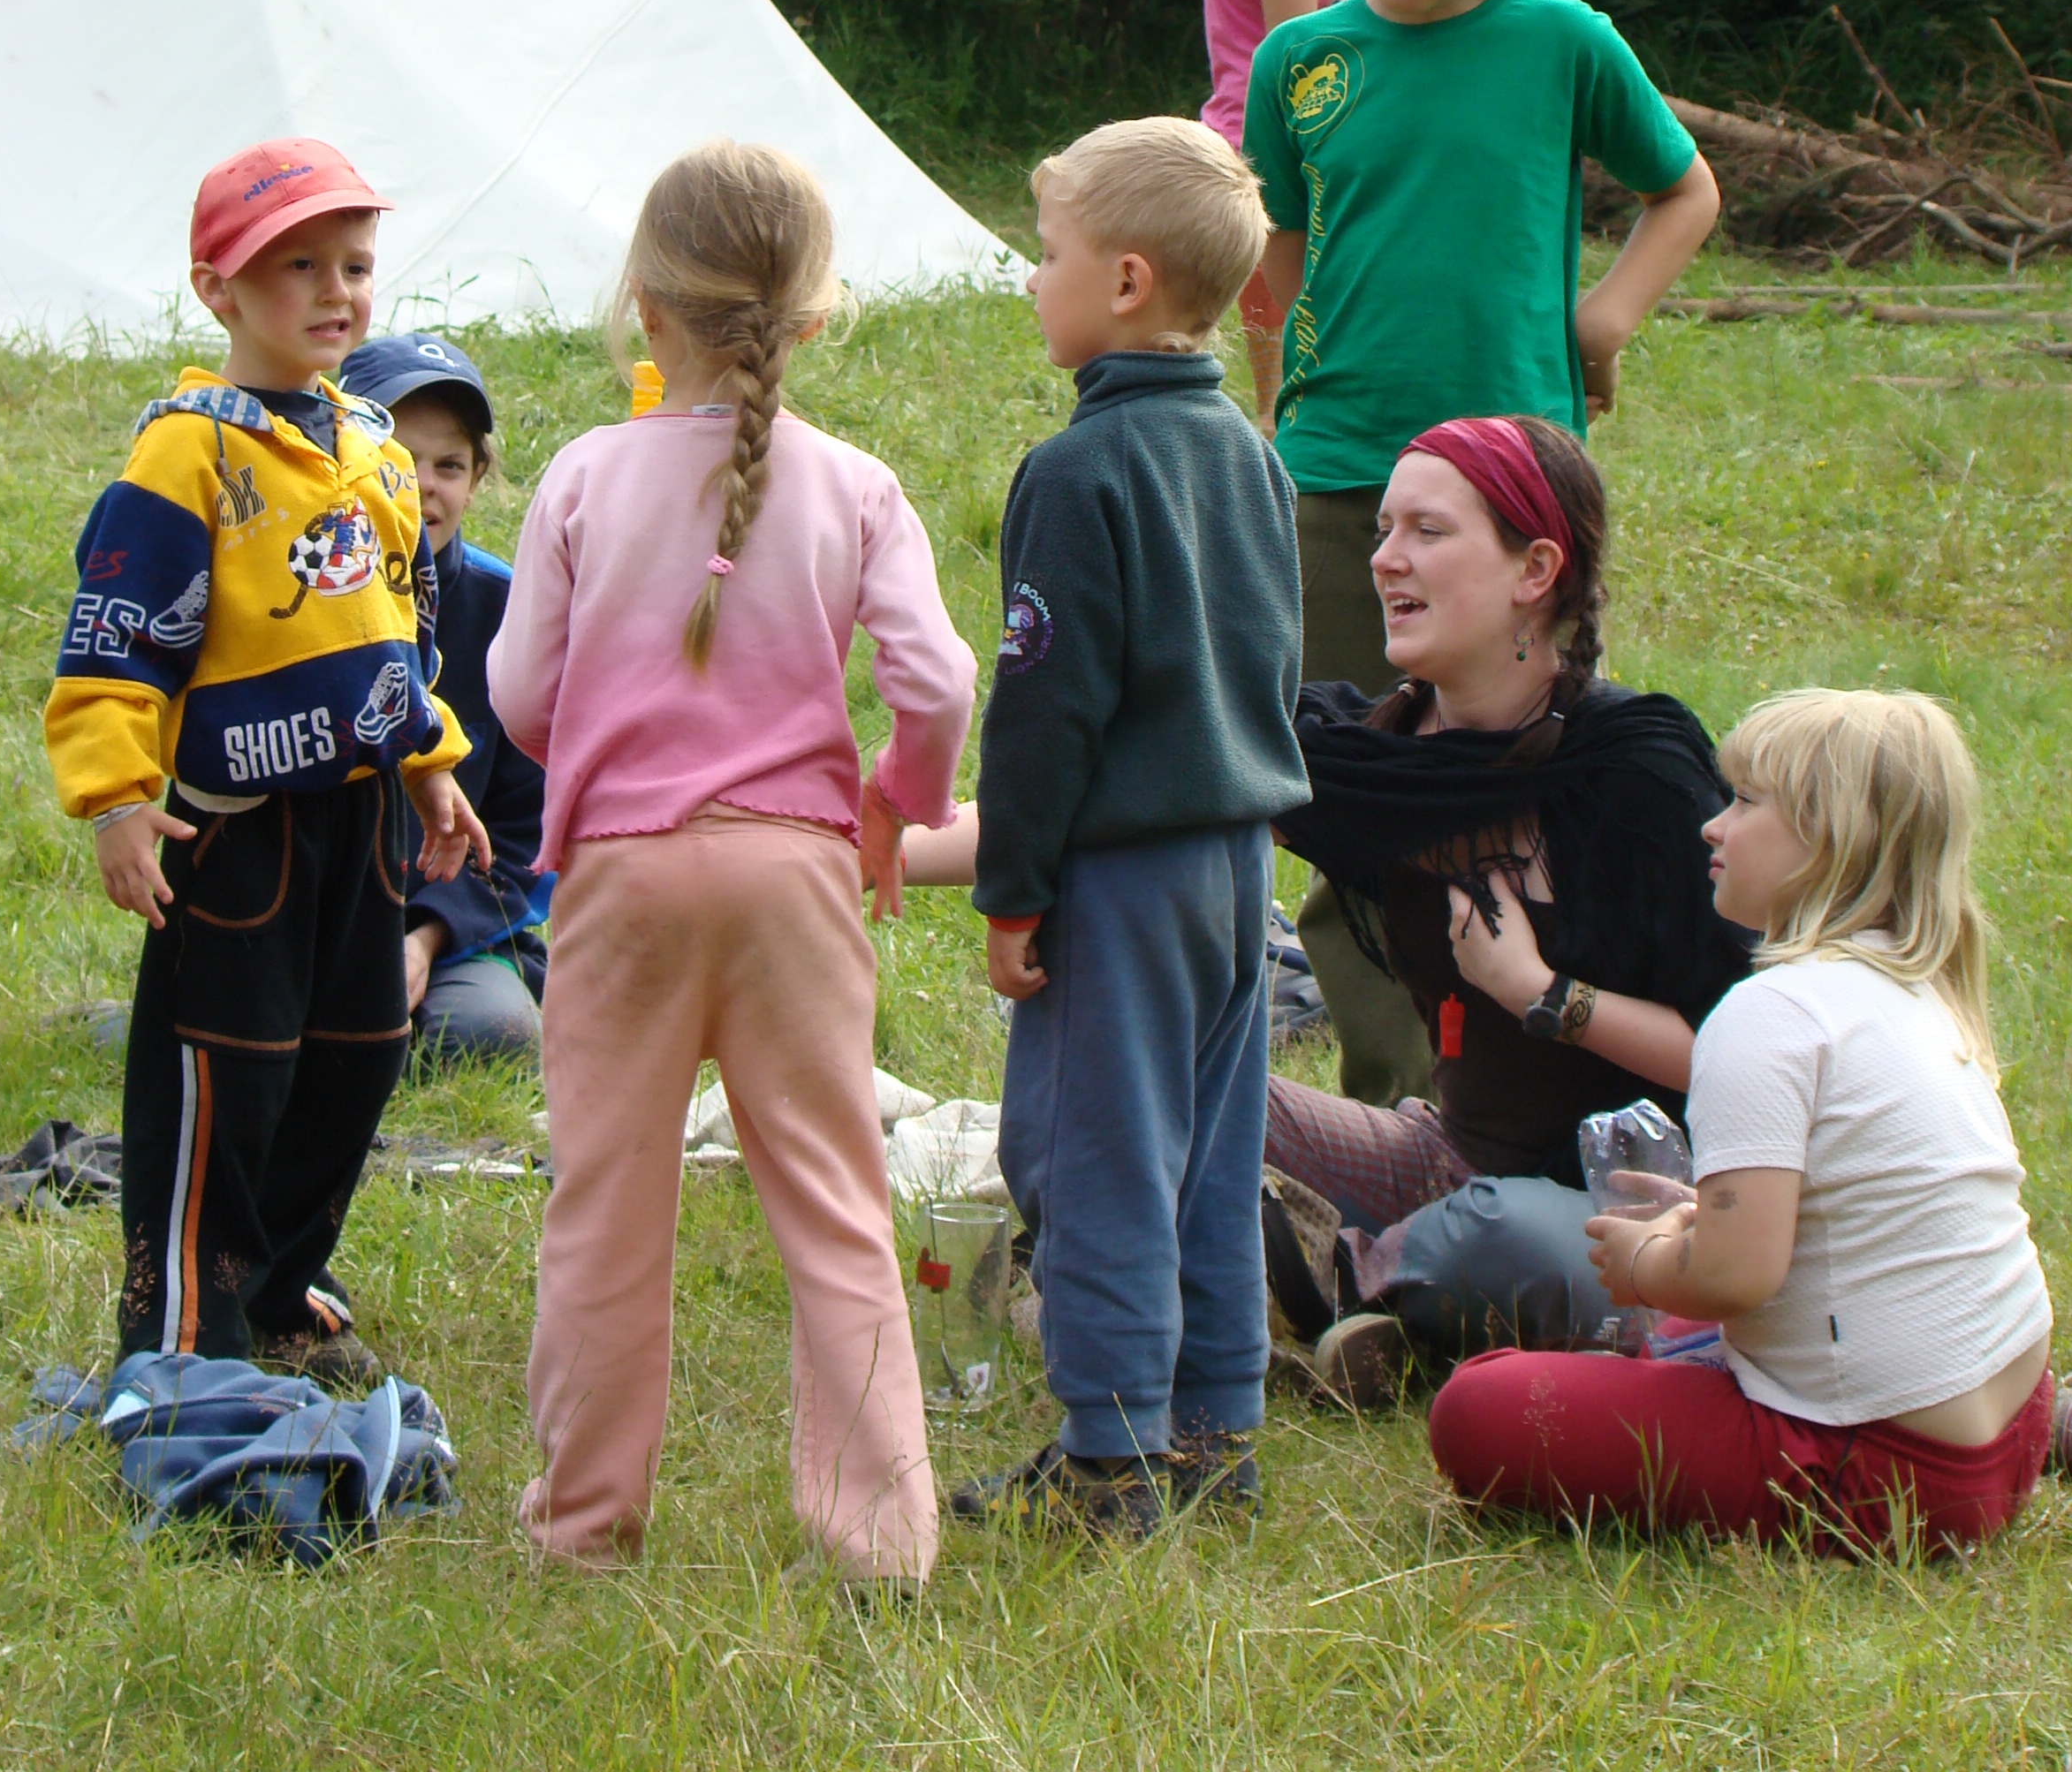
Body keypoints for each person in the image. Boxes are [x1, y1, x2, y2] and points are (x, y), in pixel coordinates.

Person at [492, 140, 977, 1581]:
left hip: (622, 882)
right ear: (813, 319)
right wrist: (899, 800)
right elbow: (938, 680)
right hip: (798, 882)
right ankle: (882, 1537)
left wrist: (599, 738)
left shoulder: (583, 476)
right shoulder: (857, 485)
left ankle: (584, 1526)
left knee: (603, 1207)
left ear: (643, 307)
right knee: (834, 1201)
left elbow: (519, 694)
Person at [1243, 0, 1722, 1108]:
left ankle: (1528, 1099)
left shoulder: (1565, 45)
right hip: (1340, 474)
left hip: (1515, 485)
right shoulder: (1300, 61)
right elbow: (1277, 255)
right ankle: (1391, 1103)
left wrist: (1605, 318)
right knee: (1348, 787)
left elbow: (1683, 191)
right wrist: (1272, 424)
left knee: (1526, 784)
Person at [42, 140, 489, 1385]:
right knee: (222, 1075)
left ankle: (282, 1291)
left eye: (355, 264)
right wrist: (117, 799)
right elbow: (117, 637)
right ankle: (186, 1329)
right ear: (218, 290)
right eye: (299, 267)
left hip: (362, 820)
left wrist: (430, 762)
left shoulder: (375, 449)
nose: (336, 291)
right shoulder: (186, 452)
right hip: (236, 827)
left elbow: (398, 630)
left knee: (357, 1055)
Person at [1430, 691, 2056, 1555]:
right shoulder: (1915, 988)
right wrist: (1701, 1221)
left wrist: (1646, 1262)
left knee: (1478, 1404)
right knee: (1683, 1331)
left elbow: (1735, 1278)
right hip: (2010, 1432)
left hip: (1883, 1472)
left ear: (1832, 839)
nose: (1712, 826)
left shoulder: (1770, 1014)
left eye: (1747, 802)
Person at [948, 119, 1309, 1538]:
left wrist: (1013, 891)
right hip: (1238, 867)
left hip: (1123, 877)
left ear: (1127, 282)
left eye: (1050, 255)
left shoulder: (1079, 472)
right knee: (1212, 1154)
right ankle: (1217, 1426)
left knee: (1092, 1155)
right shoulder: (1252, 458)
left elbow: (1045, 714)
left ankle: (1107, 1458)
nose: (1033, 279)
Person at [1266, 415, 1750, 1398]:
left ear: (1536, 569)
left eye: (1427, 531)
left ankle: (1326, 1284)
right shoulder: (1378, 759)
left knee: (1500, 1238)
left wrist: (1544, 994)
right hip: (1450, 1161)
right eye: (1383, 532)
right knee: (1185, 1089)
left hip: (1648, 1209)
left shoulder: (1636, 777)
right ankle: (1385, 1305)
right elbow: (1167, 798)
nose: (1386, 559)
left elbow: (1743, 1057)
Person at [340, 331, 550, 1064]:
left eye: (449, 466)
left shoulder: (511, 613)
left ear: (477, 478)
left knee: (492, 1031)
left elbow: (528, 833)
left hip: (457, 930)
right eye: (397, 460)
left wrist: (425, 940)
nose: (423, 484)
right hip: (307, 921)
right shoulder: (288, 605)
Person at [1201, 0, 1393, 431]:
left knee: (1287, 371)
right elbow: (1298, 66)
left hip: (1252, 143)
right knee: (1286, 386)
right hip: (1277, 154)